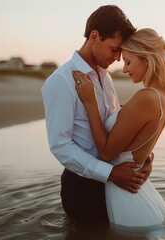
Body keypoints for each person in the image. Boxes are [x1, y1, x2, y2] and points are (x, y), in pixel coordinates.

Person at [41, 5, 154, 224]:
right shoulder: (61, 81)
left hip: (114, 183)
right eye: (114, 49)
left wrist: (143, 158)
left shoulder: (106, 78)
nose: (118, 57)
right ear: (95, 36)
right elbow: (60, 145)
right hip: (83, 188)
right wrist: (110, 174)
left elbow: (115, 126)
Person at [72, 28, 165, 230]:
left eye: (128, 61)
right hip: (138, 195)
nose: (124, 69)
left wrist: (91, 103)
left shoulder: (146, 97)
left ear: (147, 59)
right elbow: (140, 139)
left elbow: (105, 153)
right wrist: (148, 159)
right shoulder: (162, 95)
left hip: (126, 199)